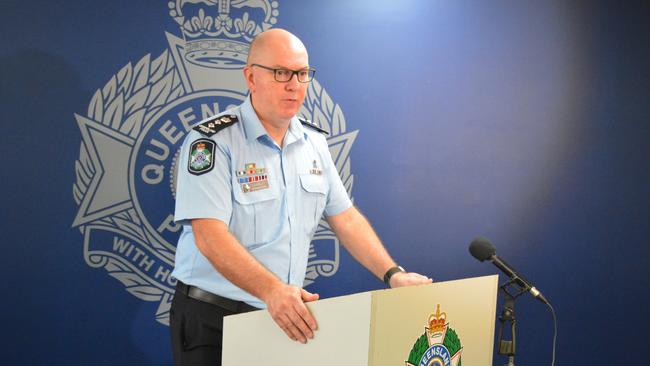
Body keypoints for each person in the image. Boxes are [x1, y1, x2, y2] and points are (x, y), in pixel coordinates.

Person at [169, 28, 432, 366]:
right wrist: (272, 291)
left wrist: (393, 274)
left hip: (281, 316)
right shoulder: (212, 142)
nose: (294, 84)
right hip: (214, 319)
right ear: (251, 77)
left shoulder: (313, 143)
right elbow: (210, 235)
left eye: (302, 73)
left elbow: (346, 217)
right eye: (280, 73)